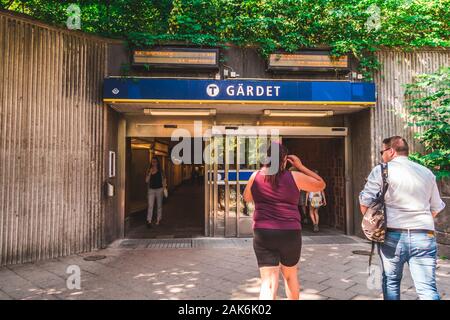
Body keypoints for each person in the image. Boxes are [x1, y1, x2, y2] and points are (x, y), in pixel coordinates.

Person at [359, 136, 446, 300]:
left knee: (391, 282)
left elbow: (365, 203)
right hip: (424, 234)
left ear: (391, 151)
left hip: (393, 234)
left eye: (382, 151)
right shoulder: (426, 172)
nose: (381, 155)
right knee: (427, 289)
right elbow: (436, 207)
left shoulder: (382, 170)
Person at [243, 142, 326, 300]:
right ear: (285, 160)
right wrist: (300, 166)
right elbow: (321, 184)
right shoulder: (295, 177)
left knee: (268, 282)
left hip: (263, 233)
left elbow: (247, 197)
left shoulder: (256, 176)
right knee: (290, 276)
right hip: (290, 233)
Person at [145, 157, 167, 227]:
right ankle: (149, 220)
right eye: (152, 162)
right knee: (150, 205)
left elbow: (164, 180)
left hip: (159, 189)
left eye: (155, 162)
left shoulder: (161, 171)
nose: (153, 163)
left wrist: (164, 188)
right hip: (151, 190)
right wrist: (150, 173)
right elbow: (146, 181)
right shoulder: (149, 170)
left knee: (159, 205)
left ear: (157, 163)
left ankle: (158, 220)